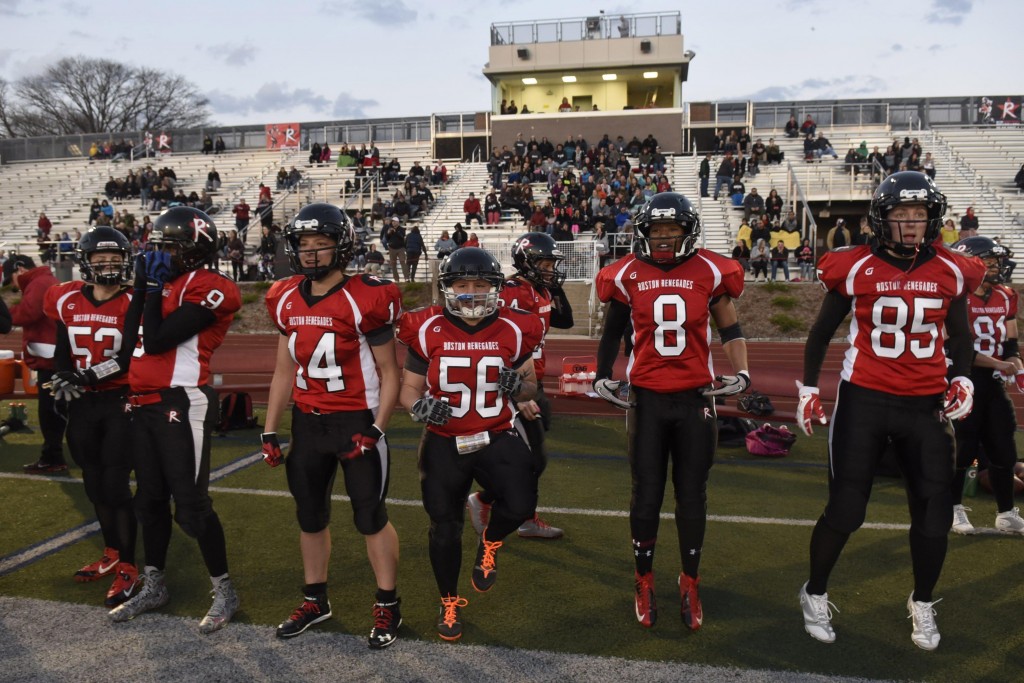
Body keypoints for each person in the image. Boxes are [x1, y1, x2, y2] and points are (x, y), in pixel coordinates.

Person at [795, 171, 986, 651]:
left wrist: (961, 376)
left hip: (924, 405)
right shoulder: (855, 266)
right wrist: (807, 388)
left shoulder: (951, 269)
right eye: (900, 215)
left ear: (932, 220)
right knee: (846, 509)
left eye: (918, 216)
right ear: (882, 219)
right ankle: (814, 591)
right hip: (865, 398)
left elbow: (961, 337)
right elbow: (821, 333)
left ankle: (922, 601)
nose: (909, 225)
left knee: (934, 512)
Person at [593, 192, 749, 632]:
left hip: (697, 398)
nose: (664, 239)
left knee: (692, 494)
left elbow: (730, 327)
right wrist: (602, 375)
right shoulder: (625, 275)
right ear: (644, 234)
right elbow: (612, 333)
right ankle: (643, 578)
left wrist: (743, 372)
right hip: (647, 398)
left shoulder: (713, 271)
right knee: (645, 493)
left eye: (672, 231)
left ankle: (690, 579)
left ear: (687, 232)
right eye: (656, 231)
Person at [262, 204, 403, 647]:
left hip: (356, 421)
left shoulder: (367, 296)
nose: (310, 253)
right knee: (310, 516)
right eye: (304, 245)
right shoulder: (284, 296)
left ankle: (387, 605)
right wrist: (270, 429)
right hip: (308, 424)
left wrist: (378, 428)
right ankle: (316, 599)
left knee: (370, 515)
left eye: (320, 244)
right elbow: (284, 371)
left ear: (340, 246)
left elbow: (390, 371)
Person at [397, 247, 543, 641]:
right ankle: (448, 601)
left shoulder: (515, 327)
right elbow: (407, 390)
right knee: (443, 528)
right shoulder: (425, 327)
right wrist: (421, 407)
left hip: (496, 432)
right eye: (462, 284)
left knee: (521, 504)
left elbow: (531, 383)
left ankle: (491, 540)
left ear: (495, 288)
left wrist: (520, 386)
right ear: (447, 287)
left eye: (481, 285)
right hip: (444, 441)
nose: (472, 292)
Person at [108, 207, 243, 634]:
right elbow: (132, 342)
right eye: (156, 246)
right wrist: (143, 286)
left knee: (191, 505)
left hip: (183, 402)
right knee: (148, 500)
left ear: (193, 249)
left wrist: (150, 288)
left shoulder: (212, 286)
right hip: (142, 401)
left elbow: (162, 339)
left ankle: (225, 591)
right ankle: (155, 585)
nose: (159, 254)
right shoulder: (157, 285)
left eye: (169, 247)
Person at [44, 228, 142, 607]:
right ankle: (113, 551)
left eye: (114, 259)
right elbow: (61, 348)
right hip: (84, 403)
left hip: (121, 400)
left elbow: (128, 355)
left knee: (116, 483)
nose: (108, 266)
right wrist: (62, 377)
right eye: (100, 260)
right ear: (85, 263)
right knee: (93, 482)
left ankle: (130, 564)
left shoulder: (134, 301)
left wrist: (83, 376)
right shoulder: (65, 299)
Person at [467, 233, 574, 540]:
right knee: (527, 459)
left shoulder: (539, 290)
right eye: (544, 263)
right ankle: (498, 506)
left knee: (534, 459)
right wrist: (516, 392)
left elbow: (565, 320)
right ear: (526, 263)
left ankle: (496, 503)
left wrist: (553, 285)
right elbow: (496, 340)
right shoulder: (512, 292)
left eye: (552, 263)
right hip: (511, 387)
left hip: (530, 382)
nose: (550, 269)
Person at [947, 237, 1024, 536]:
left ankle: (1005, 513)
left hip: (992, 385)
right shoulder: (956, 298)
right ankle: (952, 510)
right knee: (963, 450)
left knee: (1005, 451)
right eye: (989, 262)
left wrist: (1015, 362)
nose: (996, 267)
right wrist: (999, 365)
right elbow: (956, 348)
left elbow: (1011, 341)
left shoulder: (1005, 295)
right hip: (962, 380)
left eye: (997, 262)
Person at [3, 254, 67, 473]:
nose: (13, 285)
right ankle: (54, 455)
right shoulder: (43, 280)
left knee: (51, 413)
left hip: (50, 359)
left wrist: (7, 312)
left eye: (11, 278)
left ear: (19, 269)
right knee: (55, 411)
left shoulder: (39, 282)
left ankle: (53, 457)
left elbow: (27, 314)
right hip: (51, 356)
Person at [383, 218, 408, 282]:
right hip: (392, 248)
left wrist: (395, 232)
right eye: (392, 221)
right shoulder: (390, 229)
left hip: (400, 248)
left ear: (398, 222)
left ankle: (406, 278)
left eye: (394, 221)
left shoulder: (402, 229)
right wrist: (388, 233)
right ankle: (396, 279)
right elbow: (387, 238)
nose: (393, 222)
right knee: (393, 264)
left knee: (403, 262)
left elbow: (402, 236)